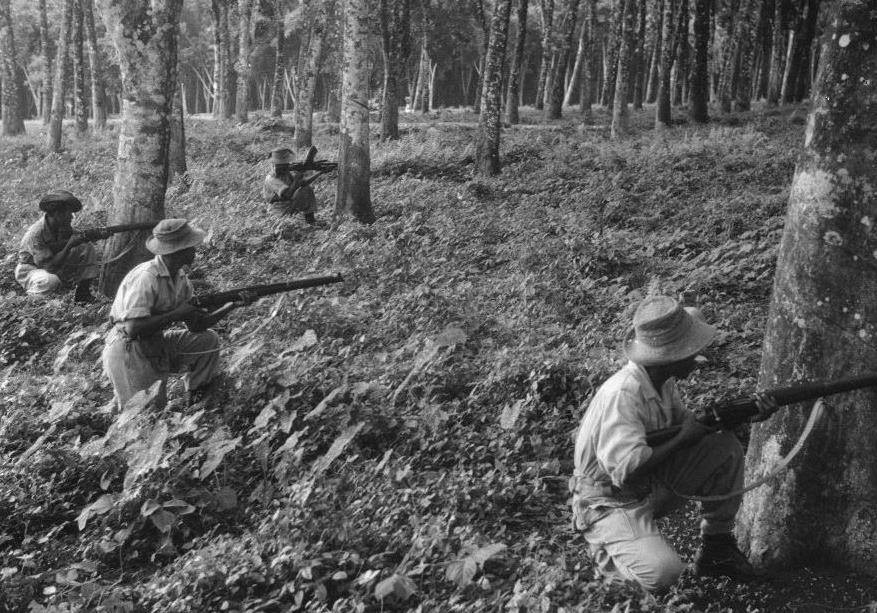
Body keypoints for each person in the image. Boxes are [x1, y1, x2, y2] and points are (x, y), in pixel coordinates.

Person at [570, 295, 778, 592]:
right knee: (664, 574)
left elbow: (690, 430)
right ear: (669, 357)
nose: (698, 357)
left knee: (724, 447)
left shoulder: (662, 383)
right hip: (608, 502)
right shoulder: (623, 394)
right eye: (692, 351)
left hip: (647, 489)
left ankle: (716, 550)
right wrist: (684, 437)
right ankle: (607, 559)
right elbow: (627, 471)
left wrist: (745, 415)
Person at [102, 218, 248, 410]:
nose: (194, 251)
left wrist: (232, 305)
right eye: (191, 247)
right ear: (179, 251)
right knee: (146, 414)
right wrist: (176, 314)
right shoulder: (146, 277)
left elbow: (197, 325)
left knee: (207, 340)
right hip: (128, 349)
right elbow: (132, 328)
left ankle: (197, 401)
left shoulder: (181, 278)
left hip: (155, 342)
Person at [15, 190, 99, 303]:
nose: (71, 217)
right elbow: (49, 267)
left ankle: (83, 294)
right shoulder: (35, 234)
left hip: (52, 264)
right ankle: (33, 302)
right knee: (49, 280)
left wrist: (92, 235)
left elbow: (76, 237)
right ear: (57, 214)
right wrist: (69, 245)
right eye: (68, 213)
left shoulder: (62, 226)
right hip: (31, 269)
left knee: (86, 246)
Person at [262, 147, 319, 226]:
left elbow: (303, 183)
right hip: (279, 211)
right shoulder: (271, 179)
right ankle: (310, 221)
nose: (284, 167)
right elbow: (287, 195)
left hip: (289, 205)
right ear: (273, 165)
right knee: (305, 190)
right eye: (279, 165)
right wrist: (296, 179)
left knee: (307, 189)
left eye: (285, 164)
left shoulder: (286, 174)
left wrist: (319, 173)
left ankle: (311, 221)